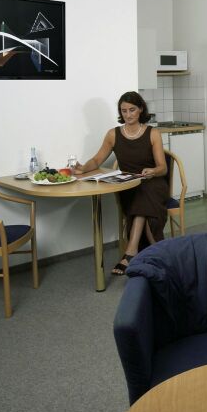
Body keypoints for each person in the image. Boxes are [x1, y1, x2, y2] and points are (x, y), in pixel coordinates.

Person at [73, 91, 169, 275]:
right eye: (124, 111)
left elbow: (162, 168)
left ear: (141, 109)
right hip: (128, 186)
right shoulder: (113, 134)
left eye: (132, 110)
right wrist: (83, 169)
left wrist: (153, 171)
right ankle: (161, 254)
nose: (128, 114)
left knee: (144, 193)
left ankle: (131, 252)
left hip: (153, 184)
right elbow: (97, 160)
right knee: (140, 195)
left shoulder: (153, 133)